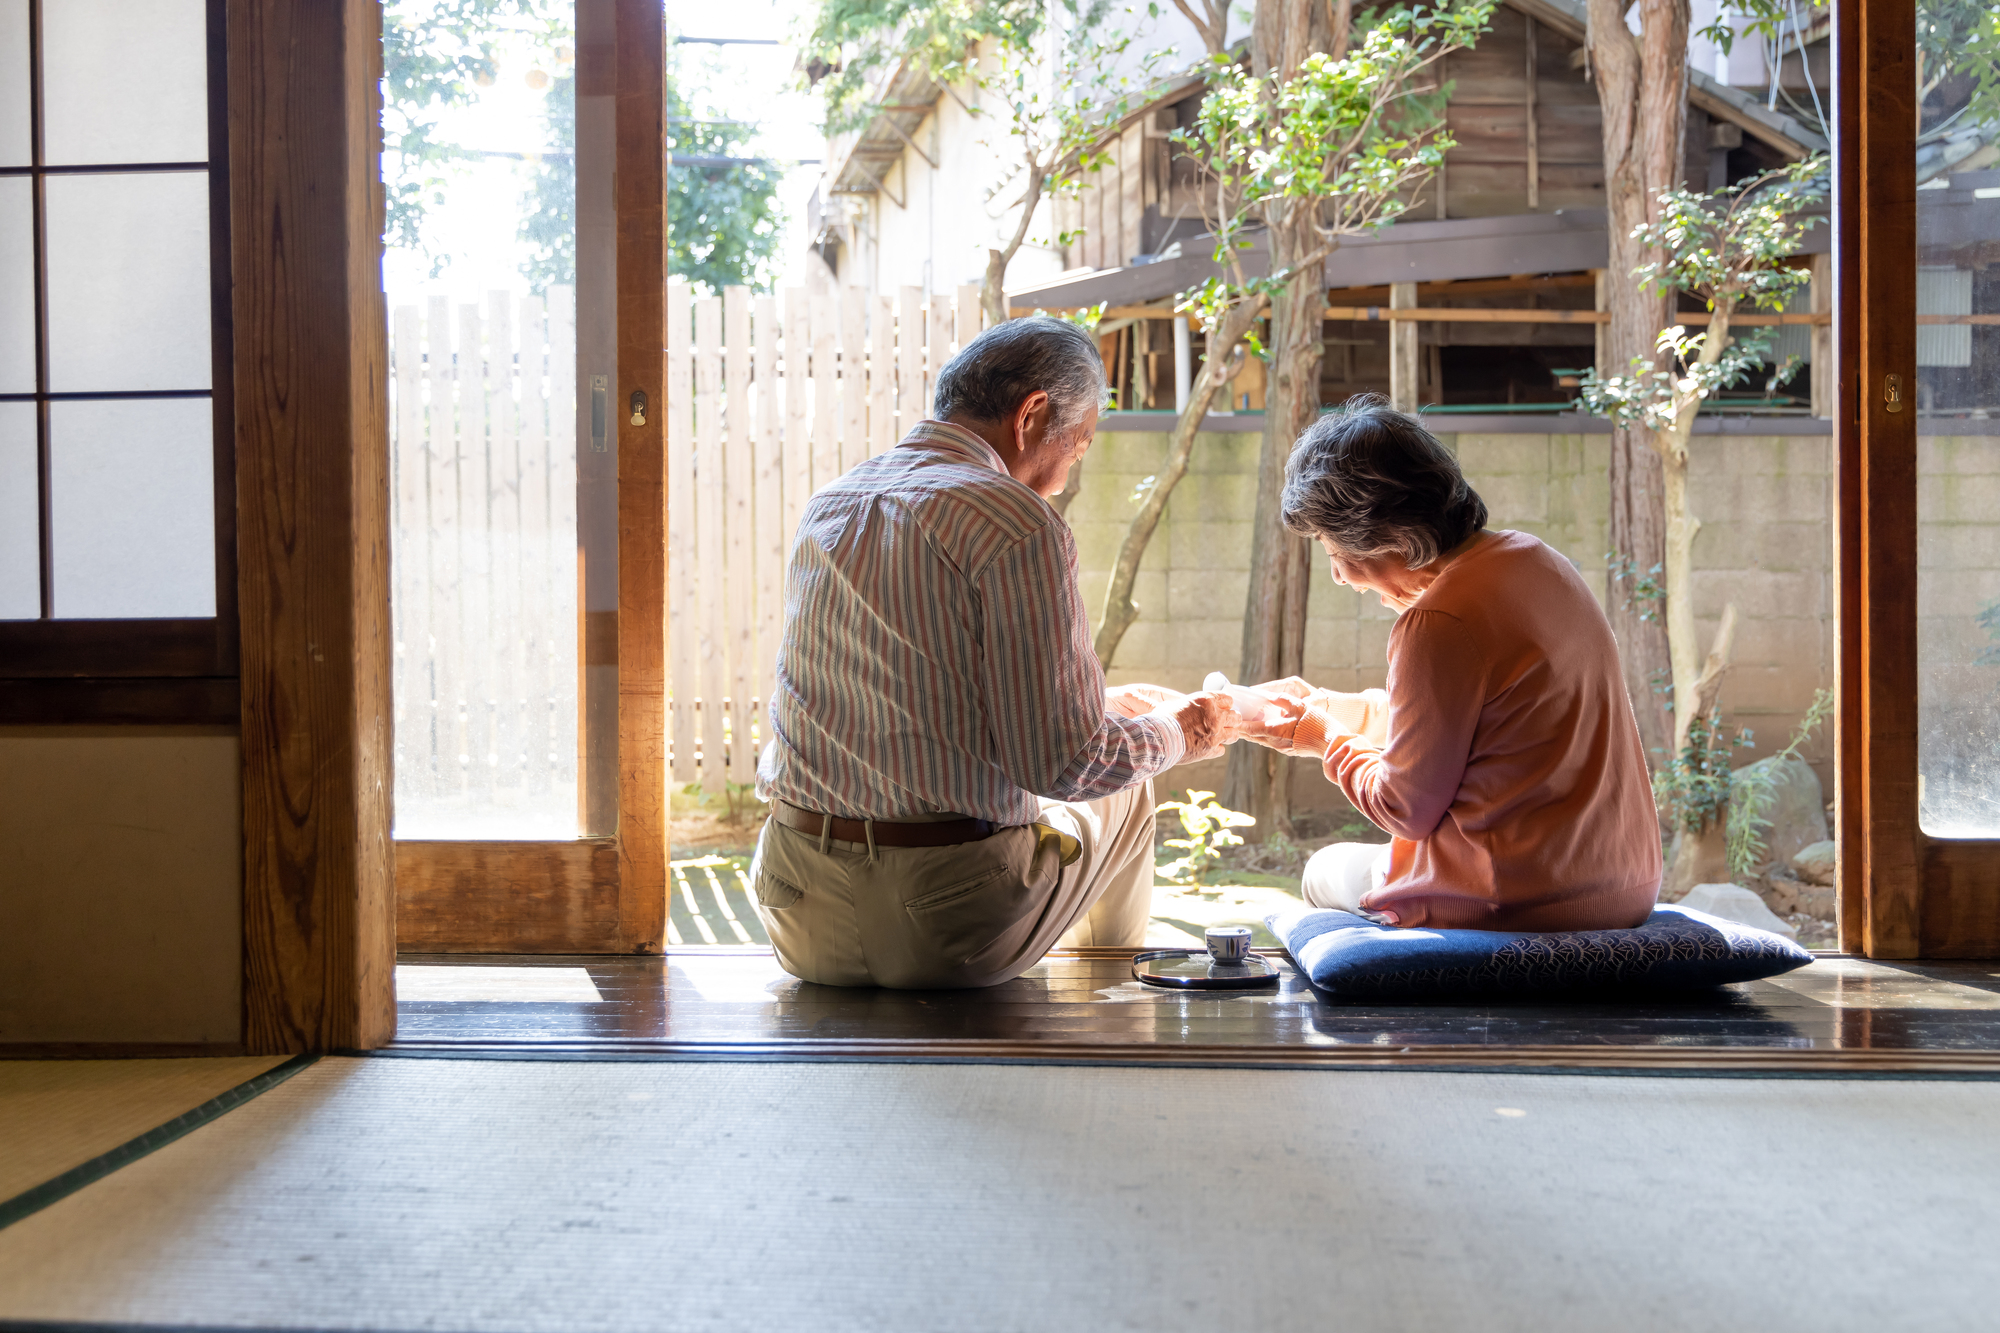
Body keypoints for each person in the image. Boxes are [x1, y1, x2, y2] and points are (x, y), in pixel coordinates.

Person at [751, 316, 1230, 988]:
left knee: (1115, 751)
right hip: (941, 926)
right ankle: (1109, 1002)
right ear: (1032, 414)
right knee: (1128, 786)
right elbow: (1066, 763)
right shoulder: (1017, 522)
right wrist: (1182, 730)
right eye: (1080, 445)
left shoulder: (830, 504)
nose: (1066, 475)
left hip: (794, 908)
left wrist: (1108, 707)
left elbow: (910, 704)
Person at [1219, 395, 1662, 932]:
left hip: (1519, 899)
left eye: (1335, 552)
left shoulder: (1439, 621)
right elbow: (1478, 723)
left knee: (1321, 870)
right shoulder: (1542, 561)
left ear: (1385, 535)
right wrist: (1331, 707)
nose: (1340, 577)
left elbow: (1404, 808)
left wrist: (1314, 735)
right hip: (1626, 886)